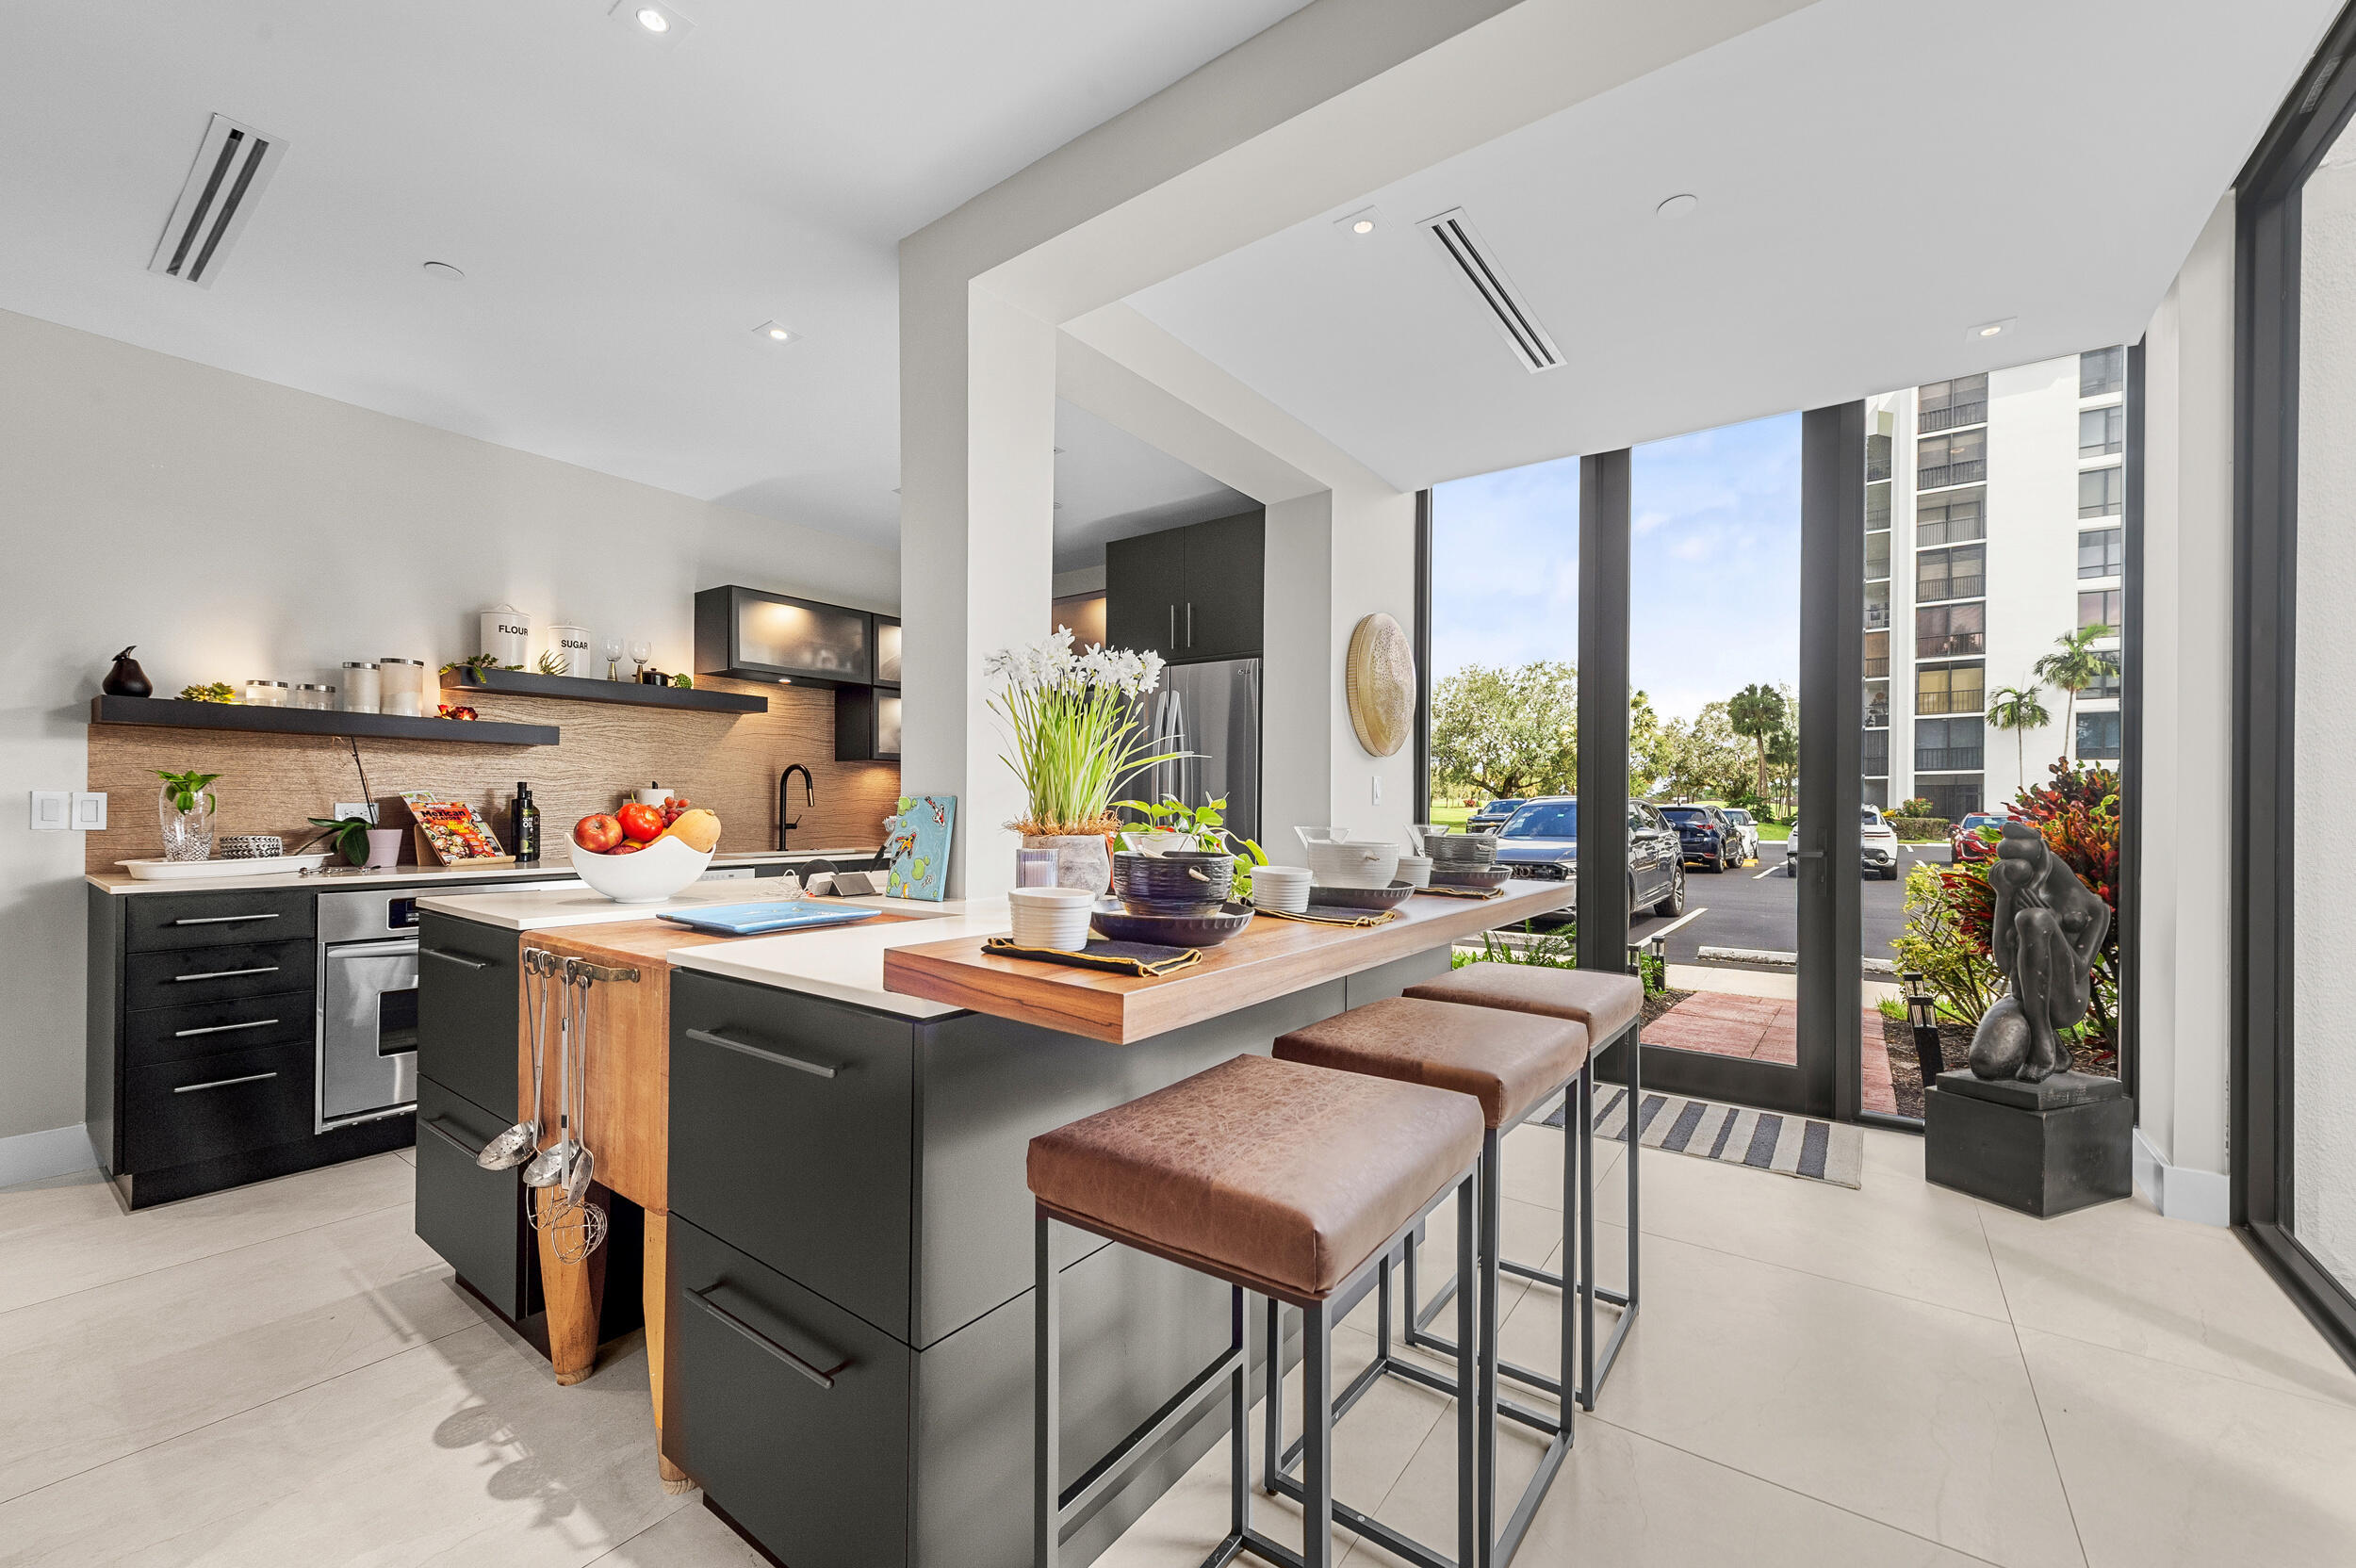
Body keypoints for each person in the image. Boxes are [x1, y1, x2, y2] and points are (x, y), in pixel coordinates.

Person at [1972, 822, 2110, 1083]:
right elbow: (2006, 965)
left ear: (2043, 860)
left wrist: (2051, 924)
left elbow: (2080, 970)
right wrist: (2003, 897)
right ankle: (2052, 1046)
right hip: (2024, 996)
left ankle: (2043, 1044)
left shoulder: (2095, 909)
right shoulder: (2028, 899)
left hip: (2067, 1001)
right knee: (1987, 1064)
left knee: (2034, 919)